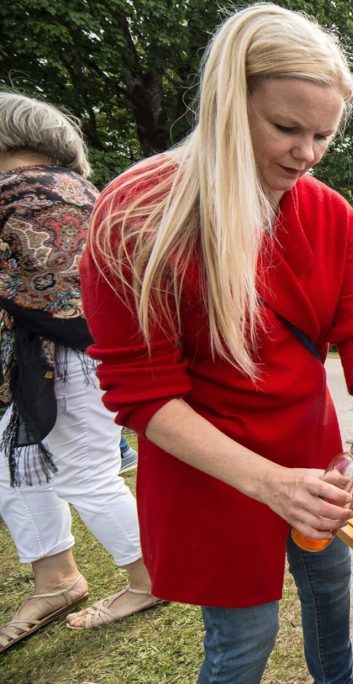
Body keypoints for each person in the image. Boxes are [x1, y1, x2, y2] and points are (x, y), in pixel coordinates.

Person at [80, 6, 353, 682]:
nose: (307, 154)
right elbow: (142, 395)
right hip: (213, 470)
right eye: (285, 128)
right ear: (229, 100)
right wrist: (268, 483)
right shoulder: (138, 214)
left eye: (323, 135)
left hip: (313, 458)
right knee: (244, 639)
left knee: (331, 598)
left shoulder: (329, 213)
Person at [0, 91, 161, 653]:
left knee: (84, 475)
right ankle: (55, 579)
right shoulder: (76, 189)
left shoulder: (23, 192)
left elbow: (54, 294)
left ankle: (149, 577)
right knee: (19, 472)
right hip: (60, 357)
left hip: (64, 359)